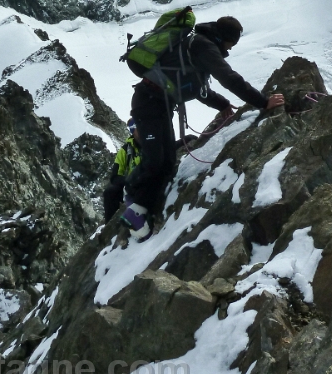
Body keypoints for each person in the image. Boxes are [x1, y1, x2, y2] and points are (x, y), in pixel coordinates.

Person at [121, 14, 284, 240]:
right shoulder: (203, 46)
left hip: (158, 105)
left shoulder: (196, 42)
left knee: (167, 162)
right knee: (156, 160)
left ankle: (141, 205)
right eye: (232, 43)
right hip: (149, 105)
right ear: (227, 39)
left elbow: (195, 87)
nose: (231, 48)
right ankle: (132, 205)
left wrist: (222, 104)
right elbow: (228, 78)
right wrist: (263, 101)